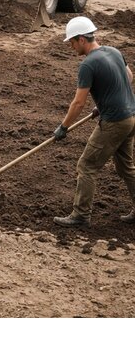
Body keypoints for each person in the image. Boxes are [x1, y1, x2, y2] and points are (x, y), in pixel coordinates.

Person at [52, 15, 135, 227]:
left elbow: (78, 103)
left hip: (115, 122)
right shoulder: (113, 51)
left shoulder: (88, 65)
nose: (71, 47)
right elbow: (129, 76)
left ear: (81, 39)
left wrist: (64, 127)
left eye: (71, 42)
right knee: (126, 168)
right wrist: (107, 101)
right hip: (131, 117)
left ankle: (80, 215)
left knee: (86, 165)